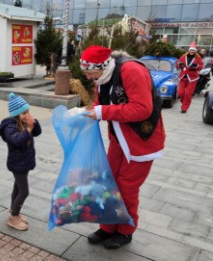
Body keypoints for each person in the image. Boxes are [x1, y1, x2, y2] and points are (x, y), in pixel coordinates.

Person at [79, 45, 166, 249]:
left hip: (141, 140)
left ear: (103, 65)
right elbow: (103, 104)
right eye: (87, 74)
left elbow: (142, 109)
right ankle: (107, 227)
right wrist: (86, 112)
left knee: (127, 189)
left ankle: (125, 231)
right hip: (119, 139)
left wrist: (102, 112)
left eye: (91, 73)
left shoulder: (132, 70)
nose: (90, 78)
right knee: (109, 184)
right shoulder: (102, 77)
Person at [0, 93, 42, 231]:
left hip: (25, 161)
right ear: (16, 114)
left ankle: (13, 211)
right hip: (17, 163)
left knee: (17, 188)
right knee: (24, 191)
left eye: (27, 111)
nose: (26, 115)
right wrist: (28, 128)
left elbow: (37, 132)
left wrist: (33, 123)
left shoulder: (23, 122)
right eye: (23, 113)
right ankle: (13, 217)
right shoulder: (9, 127)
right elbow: (17, 141)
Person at [176, 42, 203, 113]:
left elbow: (201, 67)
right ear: (189, 50)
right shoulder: (183, 56)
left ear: (195, 51)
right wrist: (179, 64)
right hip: (183, 76)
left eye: (193, 50)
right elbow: (177, 64)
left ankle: (184, 108)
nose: (192, 51)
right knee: (181, 93)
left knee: (188, 94)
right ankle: (184, 102)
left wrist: (196, 66)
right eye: (191, 50)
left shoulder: (198, 58)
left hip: (192, 78)